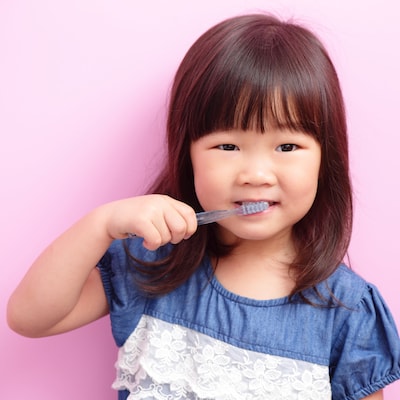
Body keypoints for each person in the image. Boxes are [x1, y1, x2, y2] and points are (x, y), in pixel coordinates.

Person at [7, 13, 400, 400]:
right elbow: (29, 318)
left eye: (287, 146)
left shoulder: (348, 311)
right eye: (227, 146)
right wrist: (101, 224)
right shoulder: (152, 264)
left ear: (324, 158)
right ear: (188, 155)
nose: (256, 174)